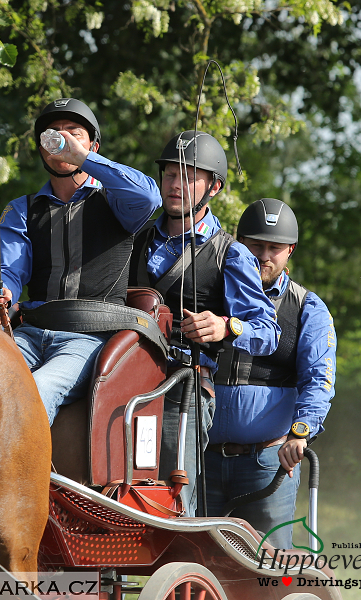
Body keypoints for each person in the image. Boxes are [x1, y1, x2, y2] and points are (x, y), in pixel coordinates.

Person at [128, 130, 280, 516]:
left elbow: (267, 331)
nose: (175, 184)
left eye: (188, 175)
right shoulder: (135, 238)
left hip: (185, 389)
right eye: (168, 174)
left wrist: (228, 327)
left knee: (176, 501)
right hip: (126, 382)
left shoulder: (232, 253)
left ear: (213, 187)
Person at [0, 98, 161, 425]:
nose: (62, 140)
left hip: (89, 337)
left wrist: (82, 158)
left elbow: (150, 197)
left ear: (92, 144)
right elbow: (5, 269)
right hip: (31, 332)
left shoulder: (115, 199)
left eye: (73, 133)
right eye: (53, 134)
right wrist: (2, 292)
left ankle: (23, 476)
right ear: (42, 149)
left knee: (38, 388)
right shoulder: (22, 209)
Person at [208, 198, 335, 548]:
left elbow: (318, 381)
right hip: (200, 457)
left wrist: (300, 432)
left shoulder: (308, 307)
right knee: (200, 565)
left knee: (267, 571)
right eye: (255, 245)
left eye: (274, 248)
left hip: (268, 462)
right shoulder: (211, 293)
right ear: (239, 243)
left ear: (290, 250)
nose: (264, 256)